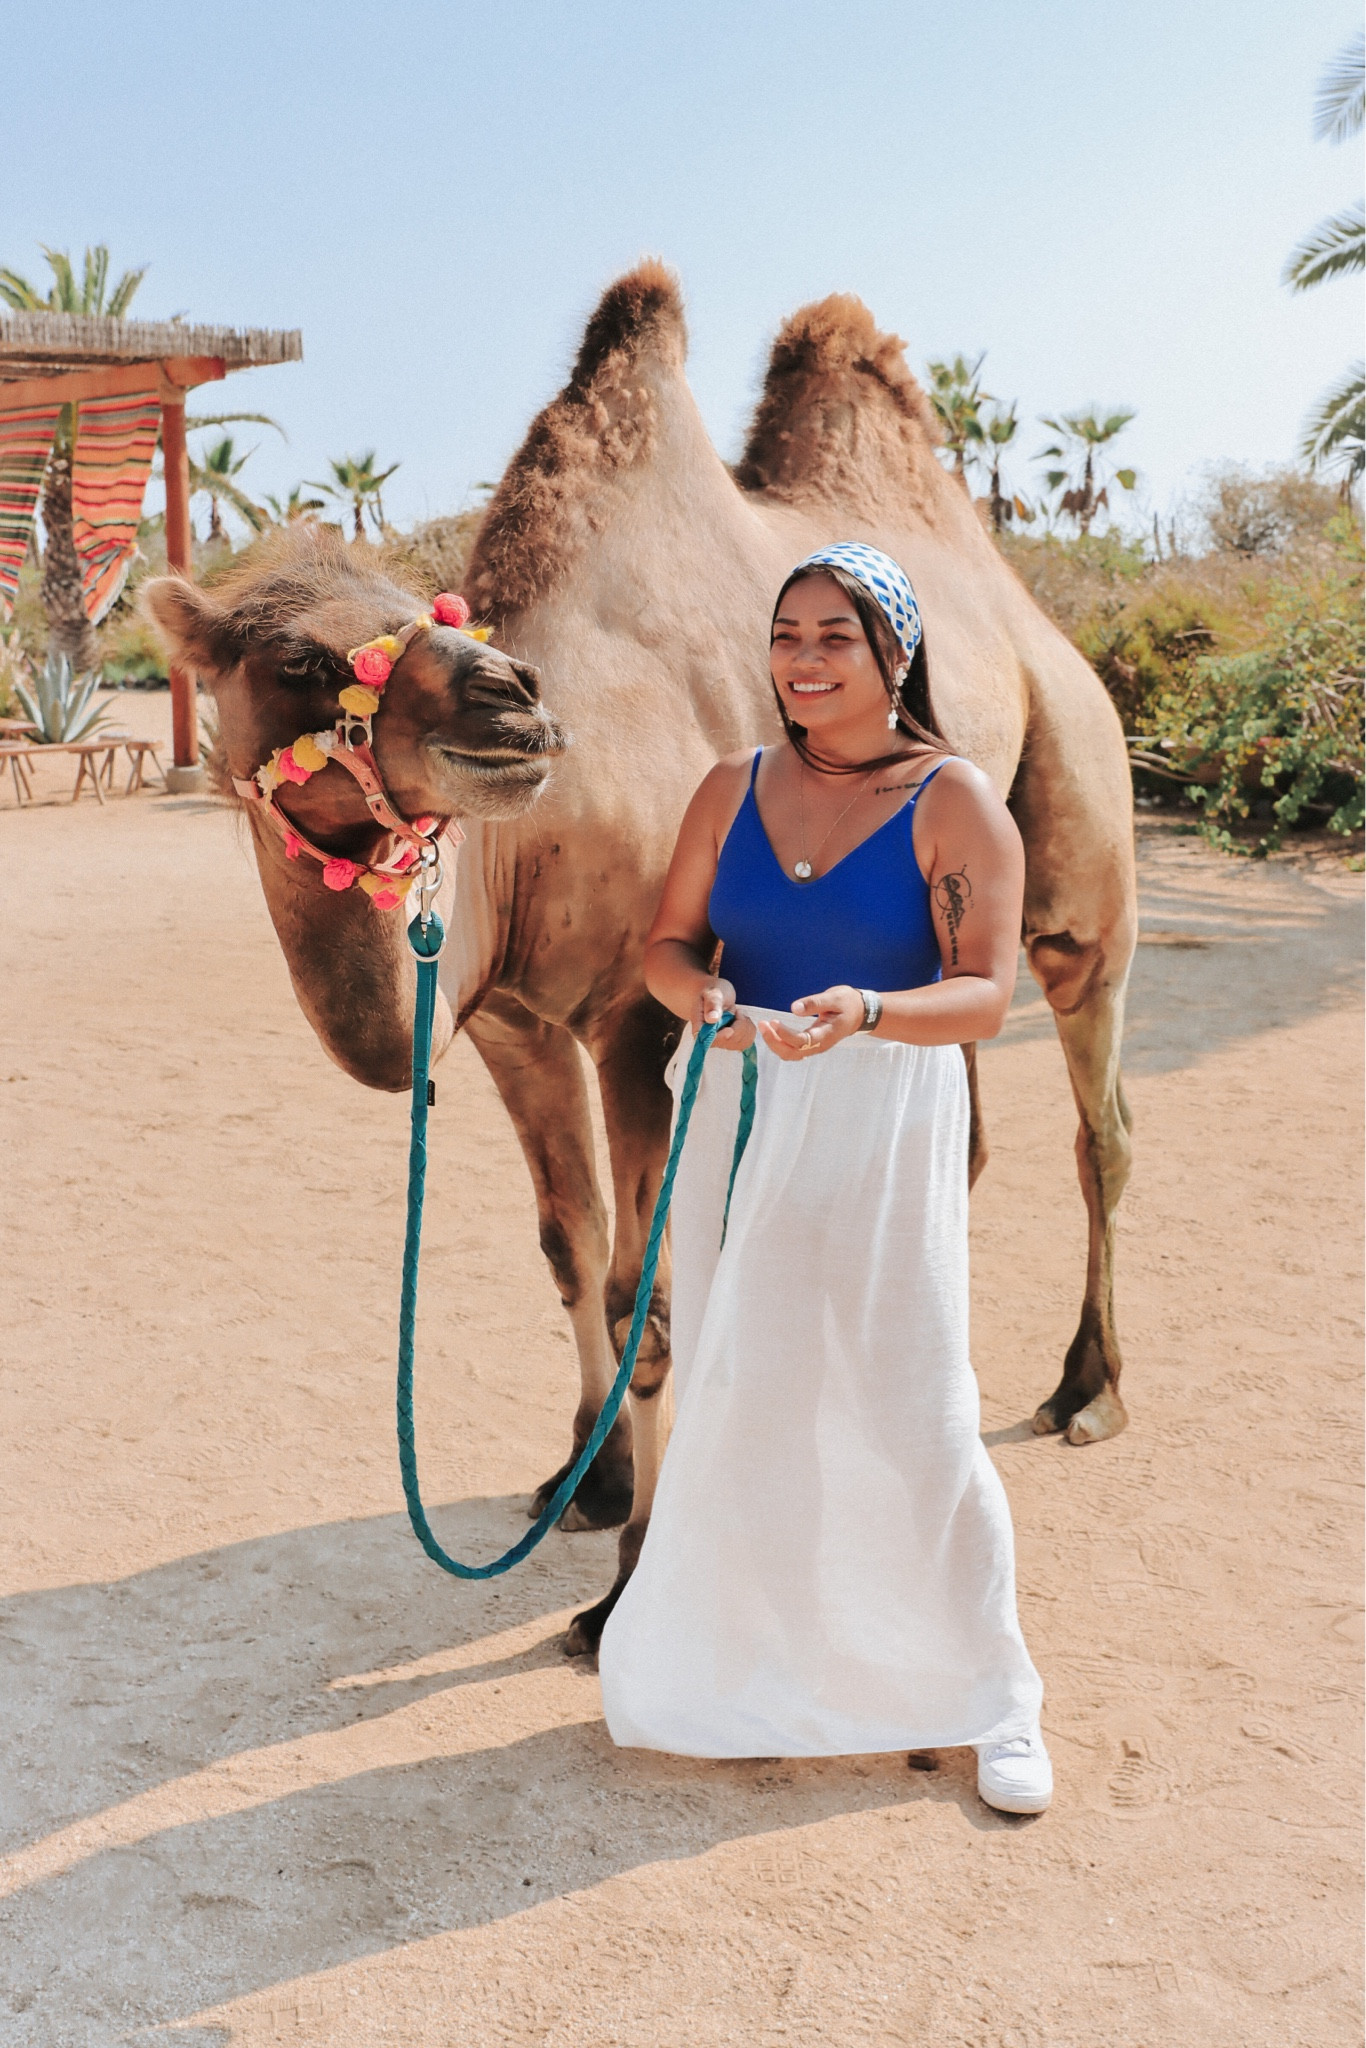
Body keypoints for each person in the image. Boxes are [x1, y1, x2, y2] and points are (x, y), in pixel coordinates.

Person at [596, 542, 1051, 1815]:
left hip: (881, 1107)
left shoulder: (954, 802)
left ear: (892, 654)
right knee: (749, 1386)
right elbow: (668, 947)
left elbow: (984, 996)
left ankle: (993, 1691)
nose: (801, 659)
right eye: (786, 633)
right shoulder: (728, 784)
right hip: (738, 1099)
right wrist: (716, 1003)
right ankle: (758, 1663)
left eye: (833, 637)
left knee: (915, 1397)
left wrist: (861, 1012)